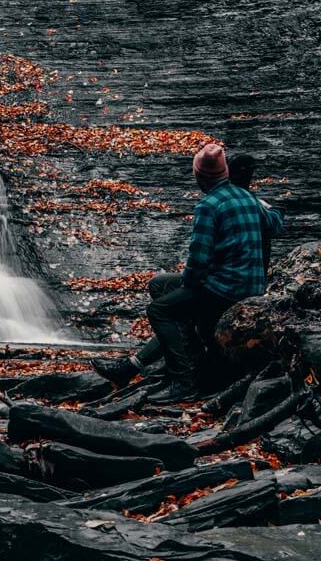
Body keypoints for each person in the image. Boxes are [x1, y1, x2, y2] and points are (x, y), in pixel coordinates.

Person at [91, 146, 283, 399]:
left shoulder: (208, 205)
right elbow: (275, 223)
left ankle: (184, 382)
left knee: (159, 309)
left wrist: (189, 286)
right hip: (251, 286)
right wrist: (272, 209)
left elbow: (198, 259)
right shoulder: (247, 197)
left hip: (226, 290)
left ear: (199, 177)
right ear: (225, 171)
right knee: (160, 286)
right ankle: (131, 368)